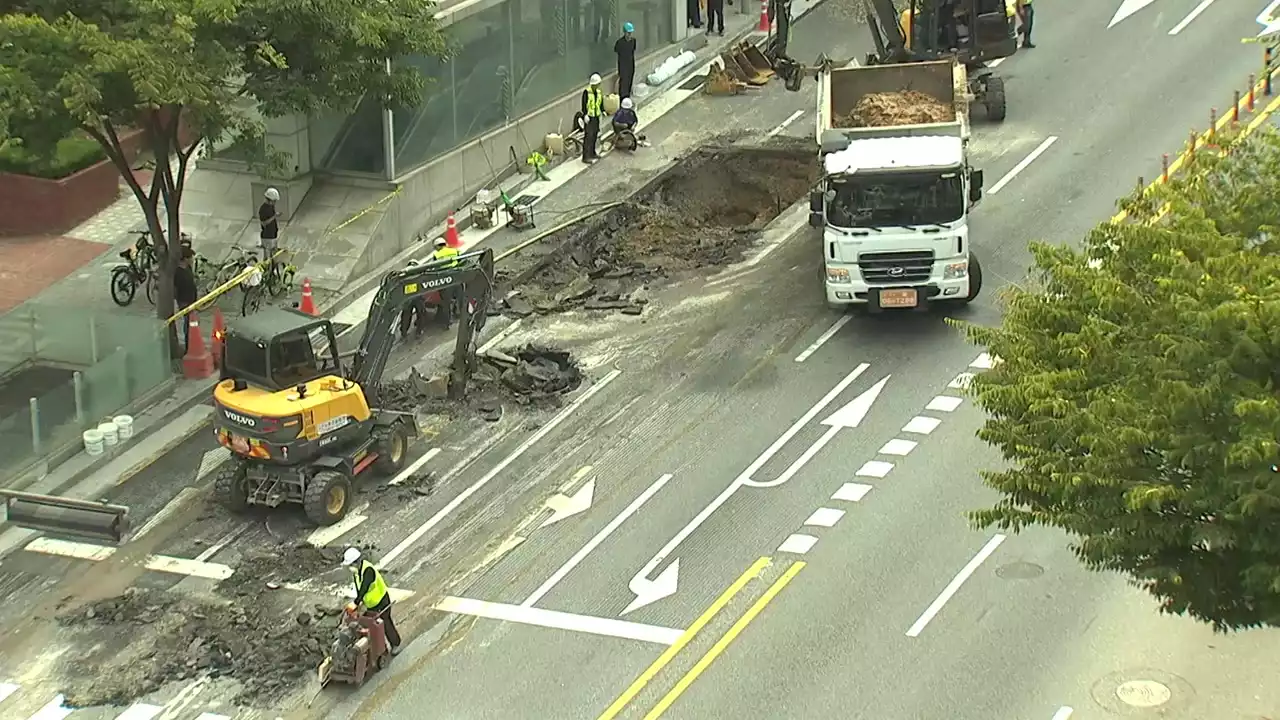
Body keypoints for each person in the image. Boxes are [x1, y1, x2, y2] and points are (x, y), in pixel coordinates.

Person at [343, 548, 402, 654]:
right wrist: (359, 603)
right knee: (374, 627)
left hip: (382, 601)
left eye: (351, 564)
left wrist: (356, 602)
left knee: (386, 623)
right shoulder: (357, 572)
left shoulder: (368, 570)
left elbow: (364, 588)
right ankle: (381, 649)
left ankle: (395, 644)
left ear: (357, 562)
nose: (350, 567)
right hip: (372, 604)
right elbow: (359, 589)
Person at [429, 237, 460, 327]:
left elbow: (434, 268)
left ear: (437, 247)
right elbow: (461, 261)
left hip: (445, 280)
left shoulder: (437, 255)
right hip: (456, 277)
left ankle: (447, 321)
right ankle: (459, 312)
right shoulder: (455, 251)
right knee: (460, 296)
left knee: (446, 302)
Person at [399, 259, 430, 340]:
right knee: (421, 314)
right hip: (417, 296)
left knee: (406, 315)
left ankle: (404, 332)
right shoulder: (419, 273)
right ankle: (419, 331)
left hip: (408, 297)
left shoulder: (404, 273)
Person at [173, 247, 198, 349]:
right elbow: (177, 289)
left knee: (192, 323)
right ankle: (189, 346)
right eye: (190, 258)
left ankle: (192, 343)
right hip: (184, 301)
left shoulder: (188, 268)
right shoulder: (178, 273)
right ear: (185, 259)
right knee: (188, 324)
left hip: (192, 300)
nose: (192, 260)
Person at [581, 74, 605, 164]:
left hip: (596, 117)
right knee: (588, 137)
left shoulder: (599, 92)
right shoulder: (586, 92)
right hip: (589, 117)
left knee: (594, 135)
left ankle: (592, 153)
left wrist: (603, 111)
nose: (597, 86)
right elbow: (584, 104)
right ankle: (586, 156)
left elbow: (600, 102)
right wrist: (585, 114)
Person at [614, 23, 637, 99]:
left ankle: (628, 96)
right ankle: (622, 98)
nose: (629, 35)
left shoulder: (633, 41)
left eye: (630, 33)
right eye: (628, 33)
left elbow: (633, 50)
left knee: (630, 79)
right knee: (623, 81)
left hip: (630, 63)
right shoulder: (620, 42)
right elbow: (616, 50)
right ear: (624, 32)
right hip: (623, 64)